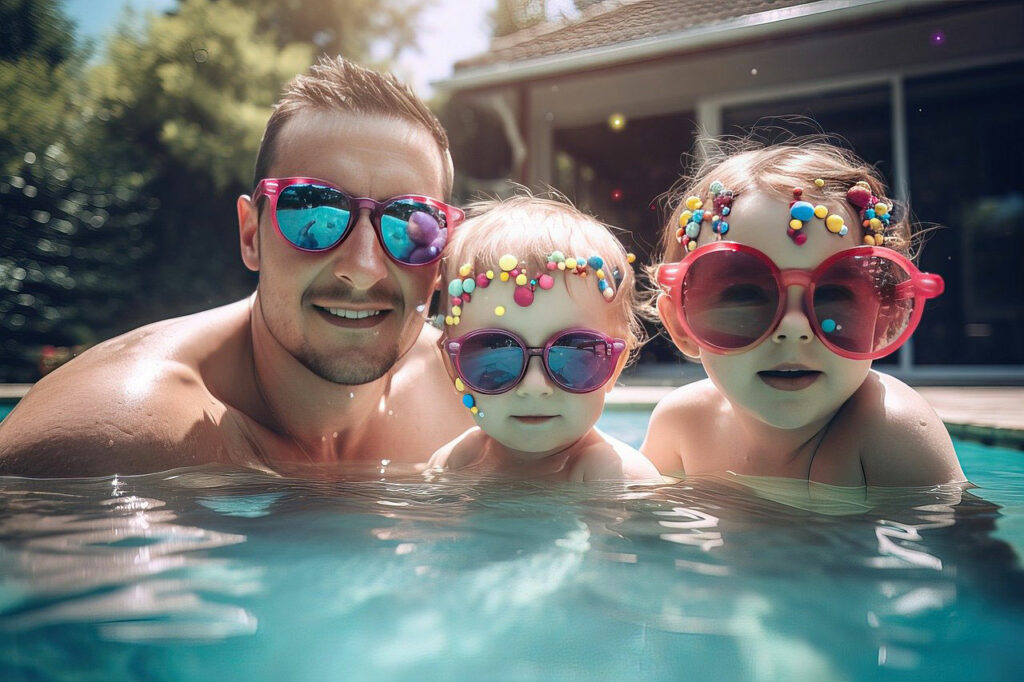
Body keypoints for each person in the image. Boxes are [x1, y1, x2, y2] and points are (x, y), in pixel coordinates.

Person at [0, 57, 475, 476]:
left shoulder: (485, 394)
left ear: (441, 259)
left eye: (409, 226)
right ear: (251, 235)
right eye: (313, 213)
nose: (364, 267)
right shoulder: (113, 438)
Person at [642, 138, 966, 486]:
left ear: (885, 319)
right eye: (748, 294)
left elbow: (956, 539)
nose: (794, 327)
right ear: (680, 324)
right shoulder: (683, 427)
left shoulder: (889, 431)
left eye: (832, 293)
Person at [426, 195, 659, 482]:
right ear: (453, 368)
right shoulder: (455, 462)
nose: (535, 386)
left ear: (615, 365)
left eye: (572, 353)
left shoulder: (613, 475)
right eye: (496, 355)